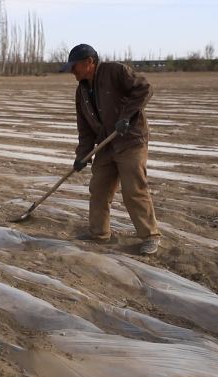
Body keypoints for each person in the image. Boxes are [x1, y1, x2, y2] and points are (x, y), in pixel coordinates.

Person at [62, 44, 161, 255]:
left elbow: (144, 88)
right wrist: (82, 155)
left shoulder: (115, 71)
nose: (72, 71)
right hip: (106, 143)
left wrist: (126, 116)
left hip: (130, 140)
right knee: (98, 189)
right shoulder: (81, 92)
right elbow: (85, 128)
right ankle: (99, 234)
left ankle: (150, 236)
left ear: (89, 62)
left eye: (75, 67)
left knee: (134, 189)